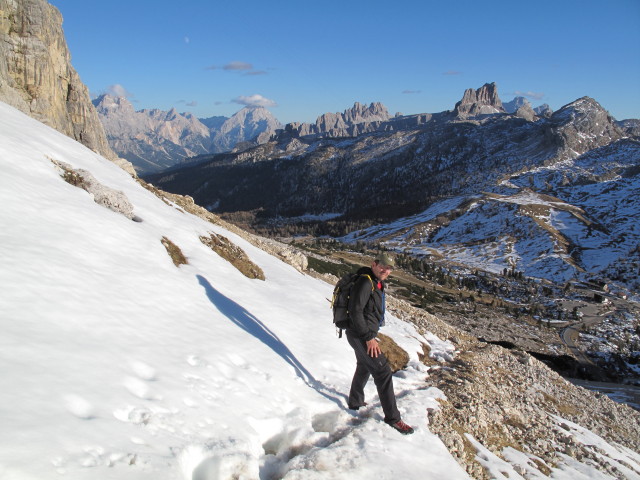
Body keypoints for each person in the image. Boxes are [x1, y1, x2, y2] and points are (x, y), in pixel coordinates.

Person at [345, 253, 415, 435]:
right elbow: (355, 311)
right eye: (382, 266)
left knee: (364, 366)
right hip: (360, 334)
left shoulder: (376, 281)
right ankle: (394, 418)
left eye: (389, 268)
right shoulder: (365, 282)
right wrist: (369, 338)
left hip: (362, 333)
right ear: (374, 264)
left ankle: (355, 401)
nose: (385, 270)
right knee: (383, 372)